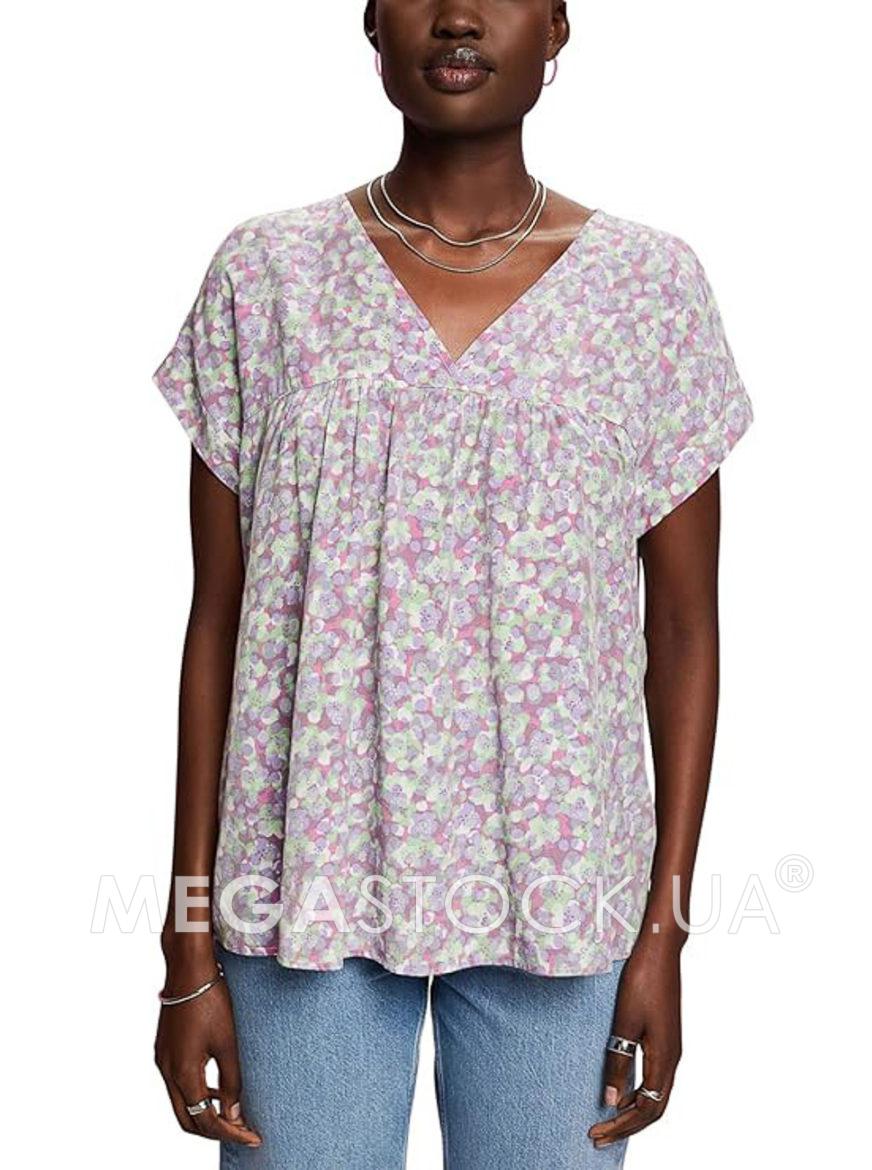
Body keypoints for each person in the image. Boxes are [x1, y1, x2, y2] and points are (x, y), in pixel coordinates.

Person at [151, 3, 753, 1167]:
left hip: (564, 903)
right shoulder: (265, 277)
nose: (460, 16)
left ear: (557, 25)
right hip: (299, 892)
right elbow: (215, 625)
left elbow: (682, 631)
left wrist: (663, 936)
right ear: (371, 21)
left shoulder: (648, 290)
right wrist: (185, 950)